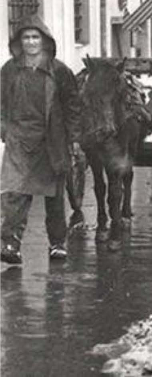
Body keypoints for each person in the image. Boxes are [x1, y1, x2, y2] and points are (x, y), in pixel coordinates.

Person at [1, 15, 82, 264]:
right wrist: (4, 129)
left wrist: (74, 139)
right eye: (26, 37)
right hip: (19, 140)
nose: (31, 42)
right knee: (15, 193)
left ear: (45, 41)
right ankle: (10, 244)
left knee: (53, 196)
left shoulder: (59, 71)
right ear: (19, 41)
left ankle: (57, 243)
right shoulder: (9, 70)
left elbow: (73, 107)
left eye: (35, 37)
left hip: (51, 141)